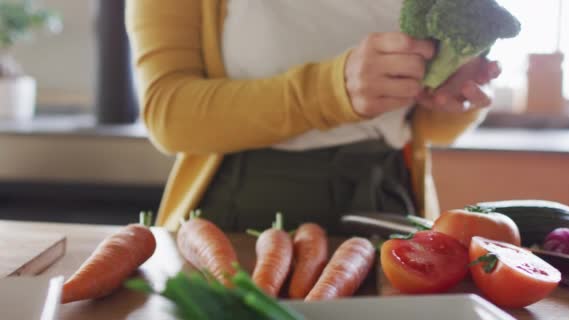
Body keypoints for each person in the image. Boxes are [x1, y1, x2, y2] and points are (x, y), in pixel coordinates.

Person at [125, 0, 500, 233]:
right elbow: (168, 114)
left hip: (388, 201)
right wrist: (332, 89)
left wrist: (450, 97)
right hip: (236, 215)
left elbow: (422, 127)